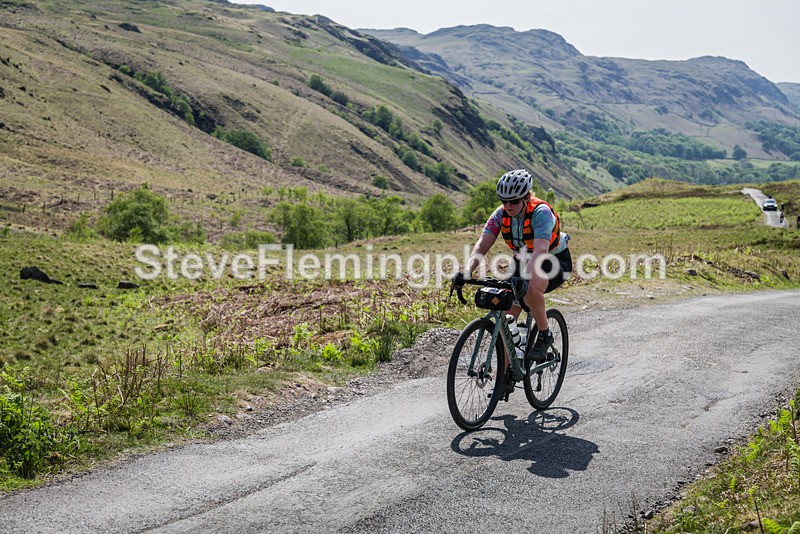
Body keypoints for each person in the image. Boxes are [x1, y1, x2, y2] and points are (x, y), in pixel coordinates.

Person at [455, 169, 572, 362]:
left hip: (554, 259)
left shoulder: (541, 213)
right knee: (505, 318)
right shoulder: (501, 214)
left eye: (514, 201)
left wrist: (525, 278)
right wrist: (467, 271)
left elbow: (540, 250)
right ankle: (507, 375)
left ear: (527, 198)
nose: (508, 205)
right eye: (504, 201)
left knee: (531, 287)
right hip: (523, 260)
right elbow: (482, 245)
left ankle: (544, 334)